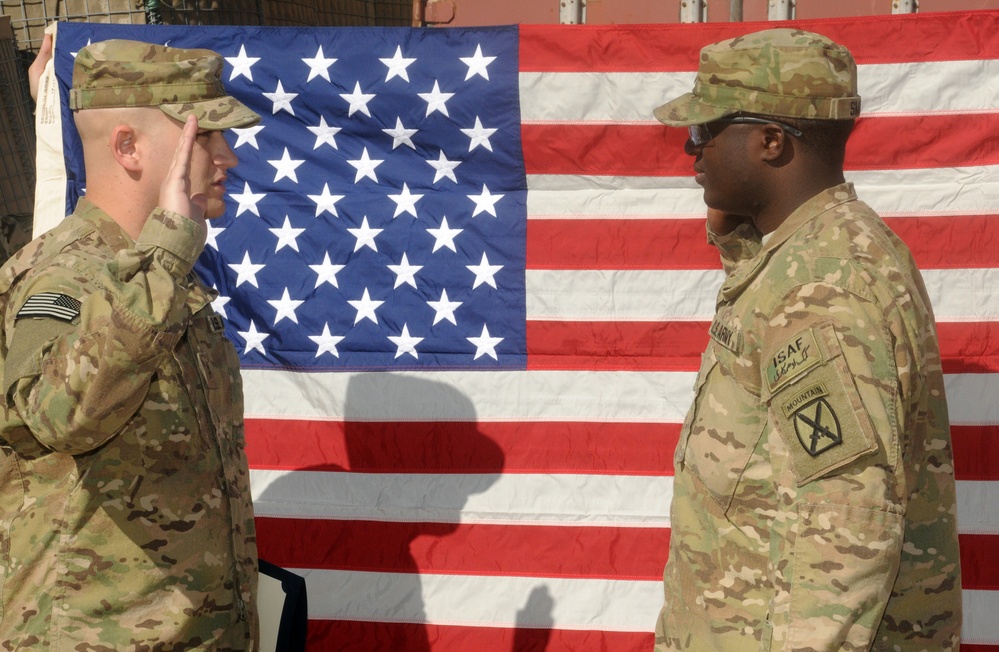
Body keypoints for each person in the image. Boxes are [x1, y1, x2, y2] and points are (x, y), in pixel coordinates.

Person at [651, 28, 962, 651]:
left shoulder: (825, 286)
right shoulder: (803, 260)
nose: (692, 151)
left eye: (706, 132)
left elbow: (846, 527)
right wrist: (734, 228)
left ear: (771, 141)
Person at [0, 39, 262, 650]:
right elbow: (60, 417)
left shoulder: (153, 273)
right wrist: (168, 249)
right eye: (206, 136)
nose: (229, 157)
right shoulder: (63, 276)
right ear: (128, 147)